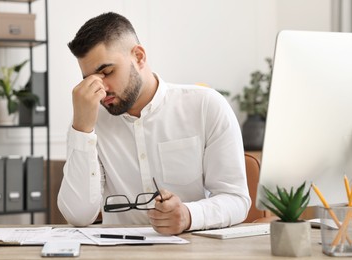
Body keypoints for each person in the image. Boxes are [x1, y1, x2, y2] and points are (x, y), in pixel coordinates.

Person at [57, 11, 251, 235]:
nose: (101, 89)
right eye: (89, 80)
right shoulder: (89, 121)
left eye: (107, 72)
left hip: (193, 249)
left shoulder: (206, 106)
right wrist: (81, 130)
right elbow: (78, 216)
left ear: (139, 57)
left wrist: (189, 216)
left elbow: (236, 200)